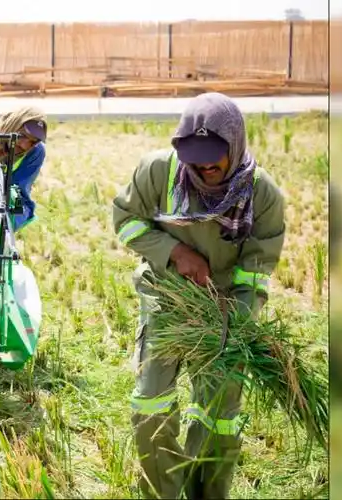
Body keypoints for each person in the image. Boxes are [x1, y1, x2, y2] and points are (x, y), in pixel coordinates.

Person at [111, 92, 286, 499]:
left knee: (218, 414)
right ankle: (162, 492)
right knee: (151, 402)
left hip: (227, 308)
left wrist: (233, 322)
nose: (206, 169)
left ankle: (206, 493)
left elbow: (256, 272)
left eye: (215, 161)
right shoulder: (158, 171)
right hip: (167, 298)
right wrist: (175, 252)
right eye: (197, 161)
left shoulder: (261, 195)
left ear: (236, 146)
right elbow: (126, 220)